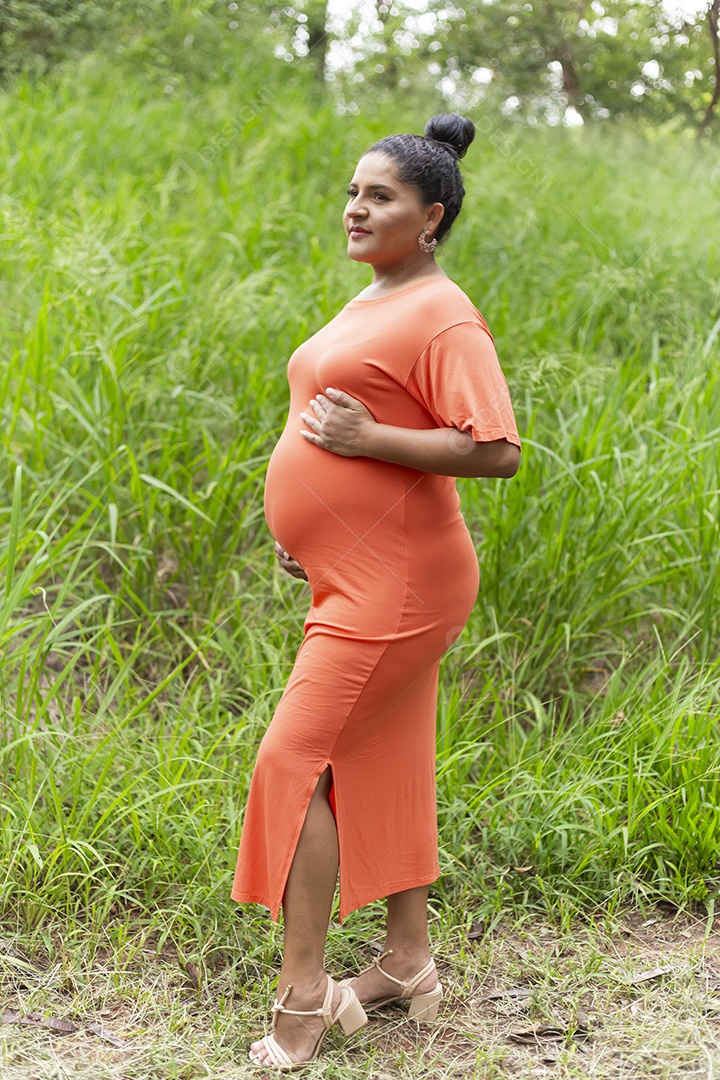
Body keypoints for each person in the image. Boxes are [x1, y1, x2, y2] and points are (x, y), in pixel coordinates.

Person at [232, 112, 521, 1071]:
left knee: (294, 760)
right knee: (385, 756)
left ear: (431, 217)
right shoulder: (375, 297)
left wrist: (367, 443)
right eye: (353, 192)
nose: (355, 208)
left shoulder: (444, 313)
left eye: (380, 196)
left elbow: (495, 448)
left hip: (400, 584)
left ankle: (305, 997)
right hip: (356, 571)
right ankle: (405, 964)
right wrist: (313, 531)